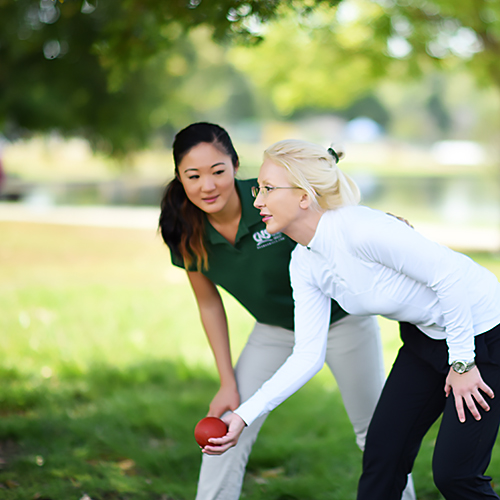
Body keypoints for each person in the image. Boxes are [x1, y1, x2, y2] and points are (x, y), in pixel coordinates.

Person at [209, 138, 500, 500]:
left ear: (304, 196)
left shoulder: (360, 228)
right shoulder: (304, 262)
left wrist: (461, 362)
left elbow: (450, 277)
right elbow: (307, 354)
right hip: (425, 340)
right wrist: (244, 414)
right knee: (383, 454)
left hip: (485, 334)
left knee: (455, 475)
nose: (257, 201)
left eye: (268, 189)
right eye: (257, 189)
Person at [159, 124, 416, 500]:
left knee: (375, 433)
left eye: (218, 171)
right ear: (179, 177)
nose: (207, 186)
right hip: (276, 329)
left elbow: (336, 212)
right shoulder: (184, 228)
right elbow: (209, 304)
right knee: (228, 425)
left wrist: (385, 227)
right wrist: (227, 381)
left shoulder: (269, 193)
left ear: (235, 165)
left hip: (342, 322)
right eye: (193, 175)